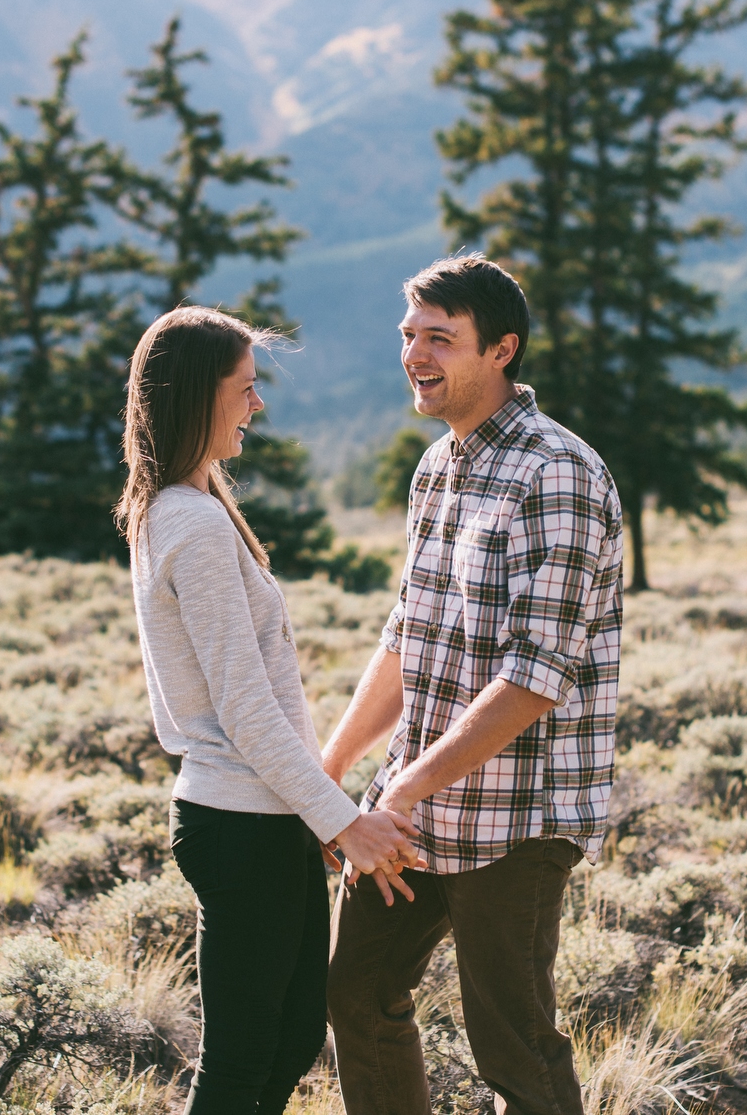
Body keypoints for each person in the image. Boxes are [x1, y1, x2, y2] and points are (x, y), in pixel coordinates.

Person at [320, 256, 624, 1115]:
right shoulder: (436, 469)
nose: (416, 354)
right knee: (357, 995)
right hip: (413, 813)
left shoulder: (556, 472)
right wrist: (331, 768)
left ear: (501, 350)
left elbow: (534, 679)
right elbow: (407, 638)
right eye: (409, 336)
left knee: (514, 1047)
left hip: (517, 821)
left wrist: (404, 789)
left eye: (440, 339)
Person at [117, 305, 424, 1115]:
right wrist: (340, 821)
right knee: (245, 1058)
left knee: (287, 1040)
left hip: (262, 816)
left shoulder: (186, 508)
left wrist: (308, 814)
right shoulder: (191, 524)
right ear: (195, 397)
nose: (257, 406)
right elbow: (247, 712)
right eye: (245, 389)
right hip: (239, 822)